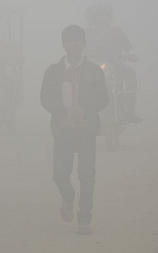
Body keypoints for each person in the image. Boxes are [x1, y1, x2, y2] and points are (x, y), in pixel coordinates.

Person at [40, 25, 109, 235]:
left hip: (87, 130)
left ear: (83, 43)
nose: (74, 44)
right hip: (62, 130)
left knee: (87, 175)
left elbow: (103, 99)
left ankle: (84, 218)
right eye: (70, 40)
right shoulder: (53, 71)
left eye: (78, 40)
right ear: (64, 44)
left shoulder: (95, 71)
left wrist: (86, 110)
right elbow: (45, 98)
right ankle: (68, 197)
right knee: (60, 174)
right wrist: (61, 112)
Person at [84, 2, 143, 123]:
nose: (102, 19)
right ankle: (81, 110)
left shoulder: (117, 31)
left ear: (109, 18)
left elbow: (128, 47)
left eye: (105, 16)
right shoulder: (88, 33)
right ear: (94, 18)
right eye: (99, 16)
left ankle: (129, 110)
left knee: (131, 74)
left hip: (115, 66)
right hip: (93, 68)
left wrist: (131, 55)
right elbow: (81, 49)